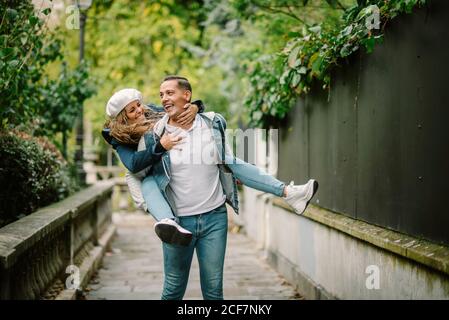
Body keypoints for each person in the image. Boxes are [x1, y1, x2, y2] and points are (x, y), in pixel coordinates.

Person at [103, 76, 319, 300]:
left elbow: (197, 112)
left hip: (214, 218)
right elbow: (135, 165)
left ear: (186, 96)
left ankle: (289, 193)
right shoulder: (148, 135)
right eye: (161, 95)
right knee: (173, 288)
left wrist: (197, 107)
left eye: (168, 93)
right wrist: (161, 145)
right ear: (122, 116)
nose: (159, 101)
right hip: (176, 219)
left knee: (214, 290)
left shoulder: (208, 122)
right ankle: (165, 220)